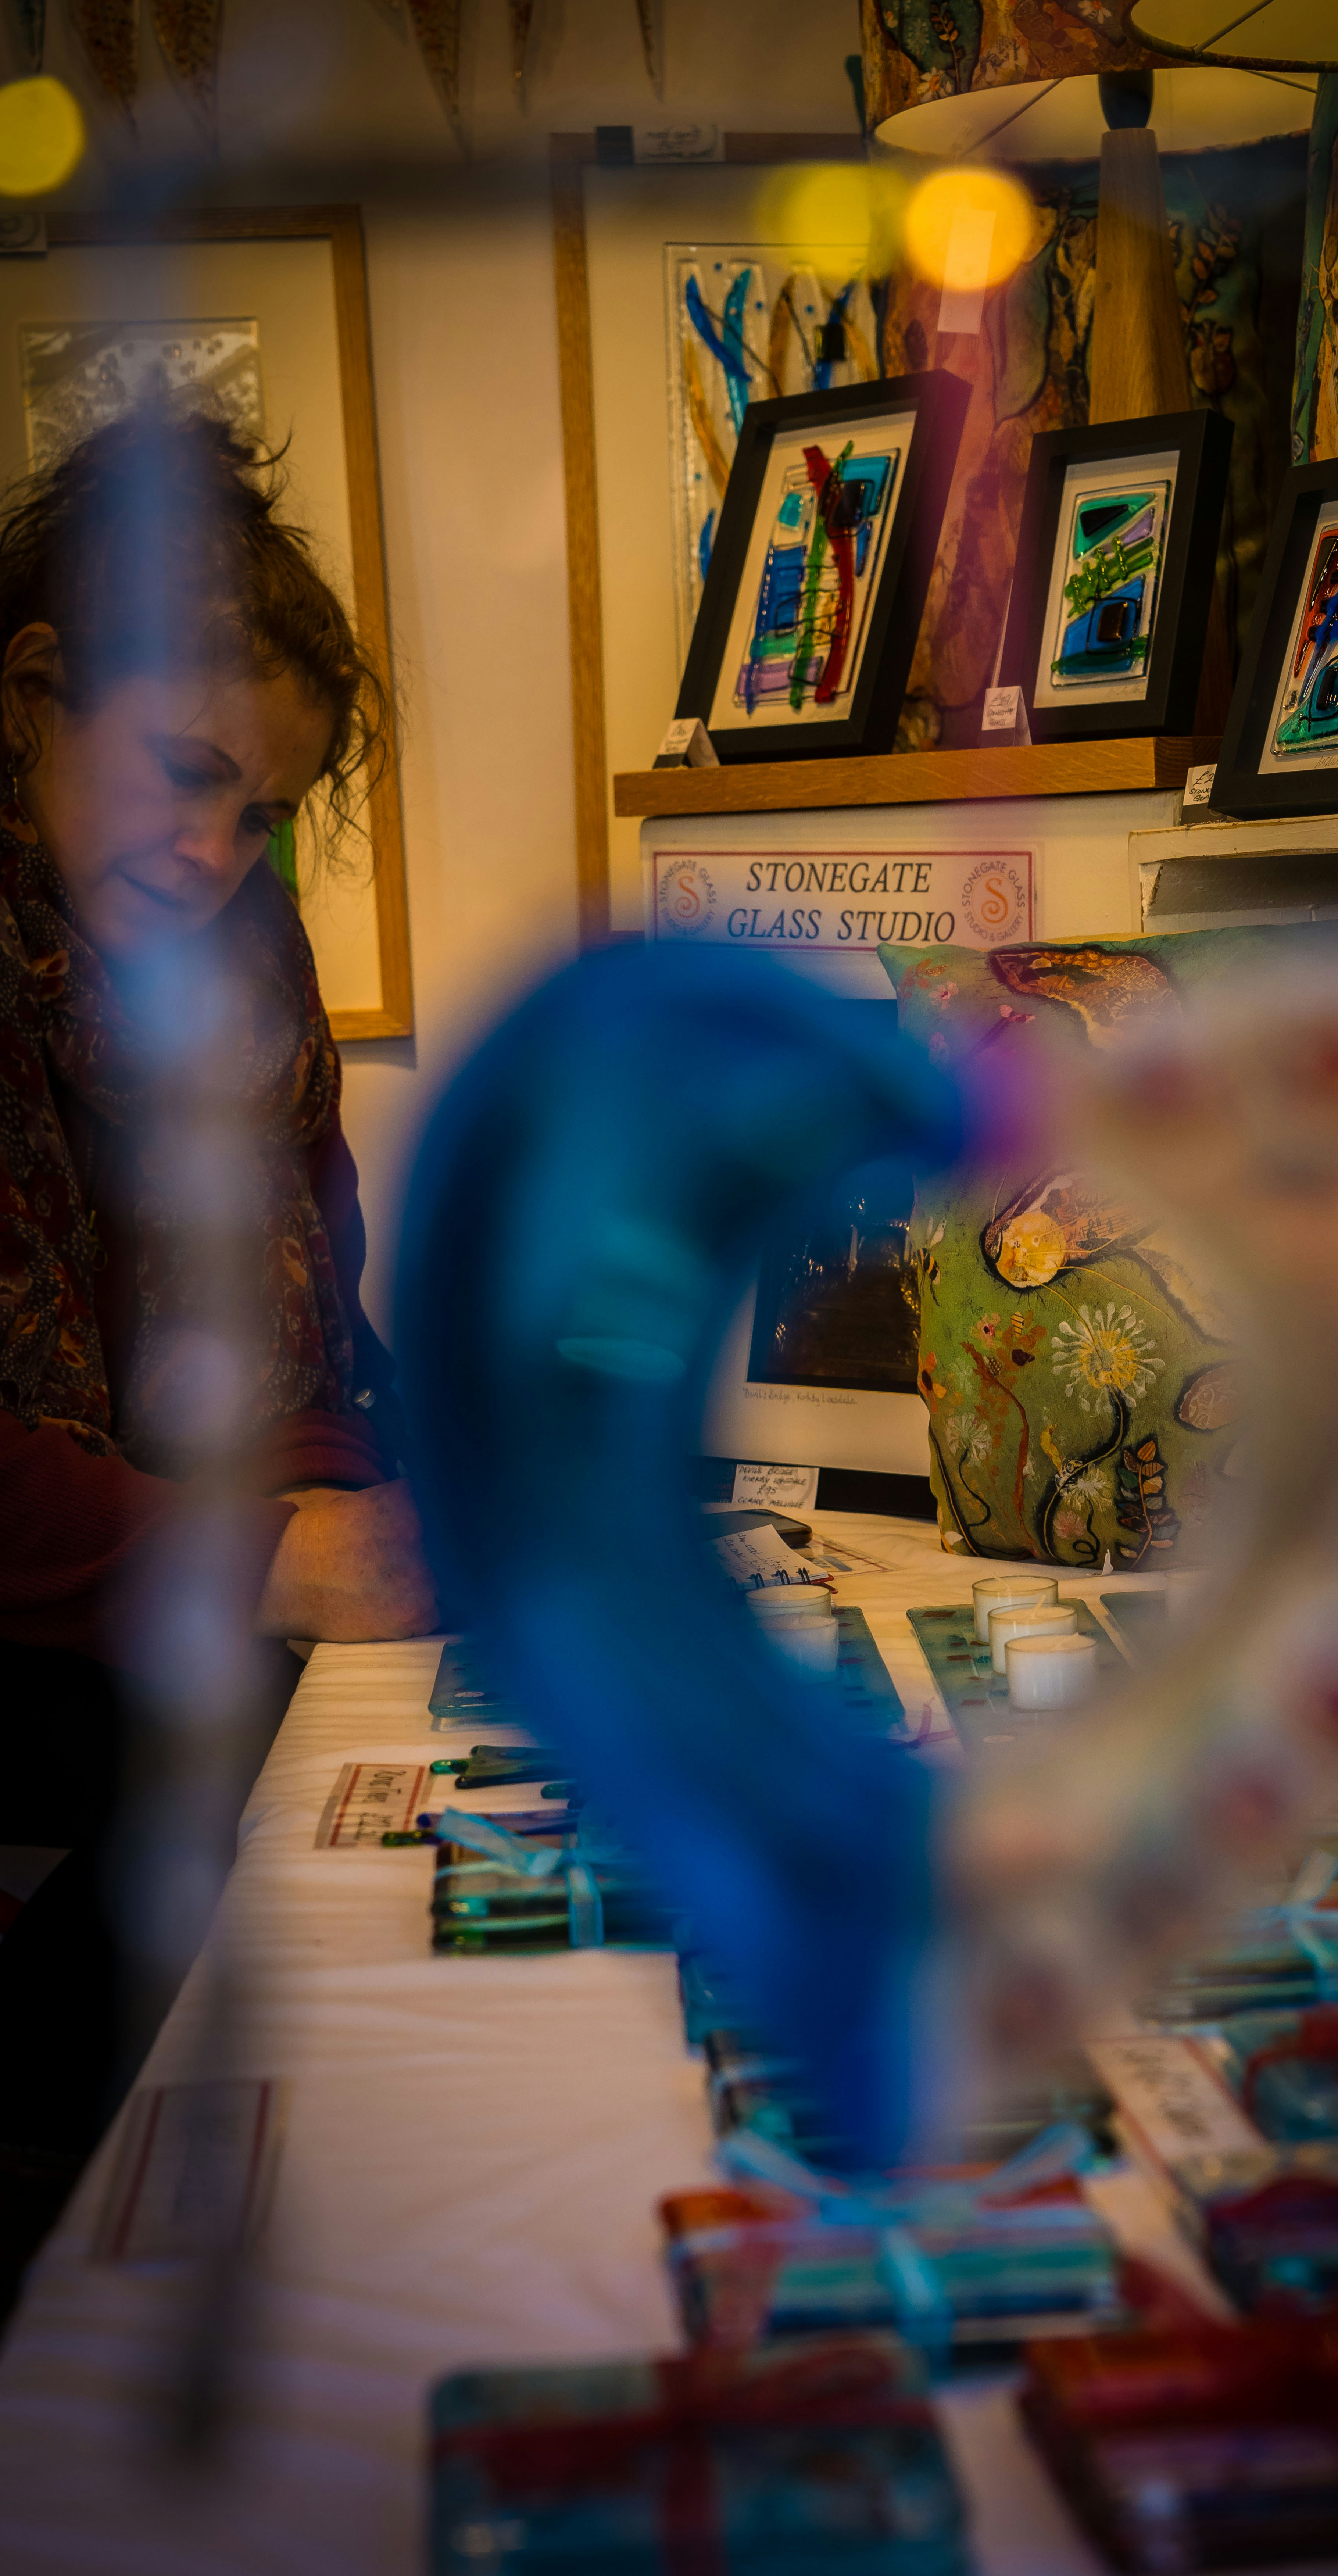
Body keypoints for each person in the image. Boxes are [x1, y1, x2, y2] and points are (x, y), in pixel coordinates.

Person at [0, 405, 439, 2285]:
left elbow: (311, 1319)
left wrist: (386, 1489)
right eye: (185, 776)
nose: (219, 850)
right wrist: (276, 1559)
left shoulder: (245, 948)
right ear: (31, 694)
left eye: (260, 808)